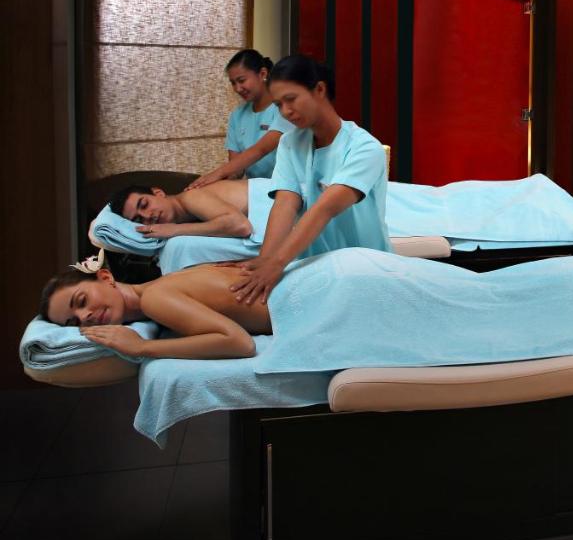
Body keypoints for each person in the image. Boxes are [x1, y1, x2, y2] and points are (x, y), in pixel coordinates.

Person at [231, 54, 391, 305]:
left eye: (291, 99)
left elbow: (325, 209)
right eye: (278, 105)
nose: (286, 112)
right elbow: (285, 203)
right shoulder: (290, 143)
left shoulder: (364, 148)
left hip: (363, 269)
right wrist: (266, 260)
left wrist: (276, 263)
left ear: (319, 89)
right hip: (311, 267)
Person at [41, 256, 266, 359]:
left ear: (106, 277)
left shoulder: (153, 299)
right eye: (75, 322)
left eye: (81, 301)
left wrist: (143, 347)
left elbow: (240, 343)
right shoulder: (165, 284)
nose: (85, 316)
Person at [187, 50, 293, 190]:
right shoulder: (237, 115)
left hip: (286, 188)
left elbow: (261, 149)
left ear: (263, 74)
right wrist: (220, 180)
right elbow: (236, 168)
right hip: (253, 189)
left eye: (242, 81)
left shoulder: (284, 108)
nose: (237, 88)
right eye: (233, 83)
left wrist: (218, 173)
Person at [110, 180, 252, 240]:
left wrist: (175, 230)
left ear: (158, 193)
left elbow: (241, 226)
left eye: (144, 205)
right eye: (139, 219)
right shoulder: (191, 217)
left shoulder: (190, 197)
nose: (147, 216)